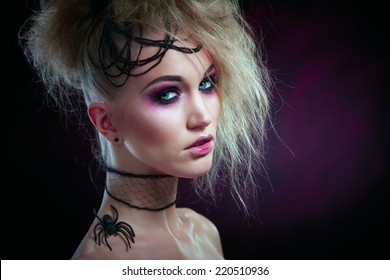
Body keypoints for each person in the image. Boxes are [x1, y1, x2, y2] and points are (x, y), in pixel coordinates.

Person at [18, 0, 271, 259]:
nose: (203, 116)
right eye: (168, 94)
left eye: (207, 84)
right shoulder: (100, 264)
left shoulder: (204, 232)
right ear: (107, 122)